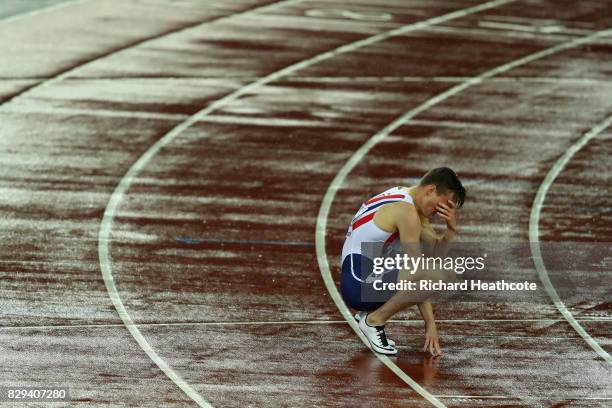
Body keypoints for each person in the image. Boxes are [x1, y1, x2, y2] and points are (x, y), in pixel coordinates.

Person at [340, 167, 466, 356]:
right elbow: (420, 272)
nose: (438, 212)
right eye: (440, 205)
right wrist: (430, 322)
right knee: (444, 274)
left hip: (364, 276)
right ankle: (374, 321)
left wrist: (451, 229)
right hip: (358, 283)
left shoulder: (406, 200)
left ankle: (371, 316)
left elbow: (434, 255)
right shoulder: (406, 212)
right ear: (430, 190)